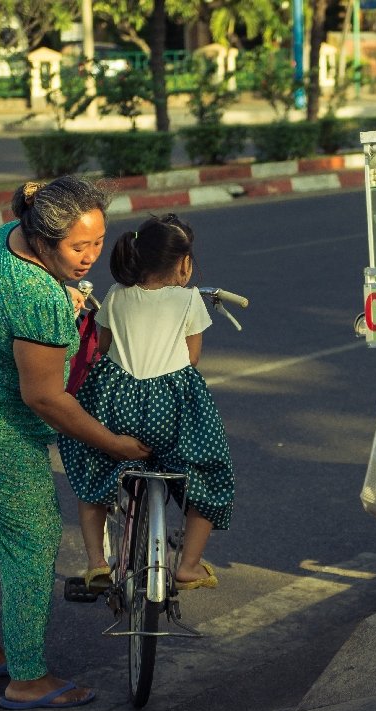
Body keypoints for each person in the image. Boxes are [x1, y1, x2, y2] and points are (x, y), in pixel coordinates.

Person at [0, 175, 151, 710]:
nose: (90, 257)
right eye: (77, 247)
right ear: (43, 239)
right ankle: (27, 676)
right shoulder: (37, 294)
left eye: (96, 242)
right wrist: (112, 442)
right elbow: (44, 397)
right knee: (32, 537)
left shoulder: (5, 239)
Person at [59, 213, 235, 593]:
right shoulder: (189, 301)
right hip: (171, 411)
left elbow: (102, 348)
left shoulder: (117, 296)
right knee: (209, 469)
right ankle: (188, 565)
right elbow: (192, 359)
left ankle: (96, 565)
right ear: (183, 263)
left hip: (114, 406)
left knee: (93, 469)